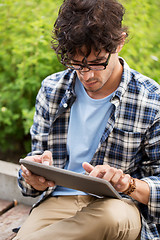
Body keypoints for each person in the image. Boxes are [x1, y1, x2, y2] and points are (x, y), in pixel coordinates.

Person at [14, 0, 160, 239]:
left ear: (120, 42)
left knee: (109, 217)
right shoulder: (52, 89)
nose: (87, 75)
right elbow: (28, 181)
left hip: (118, 206)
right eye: (76, 63)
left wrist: (128, 184)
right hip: (57, 202)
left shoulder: (151, 100)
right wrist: (33, 177)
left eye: (96, 62)